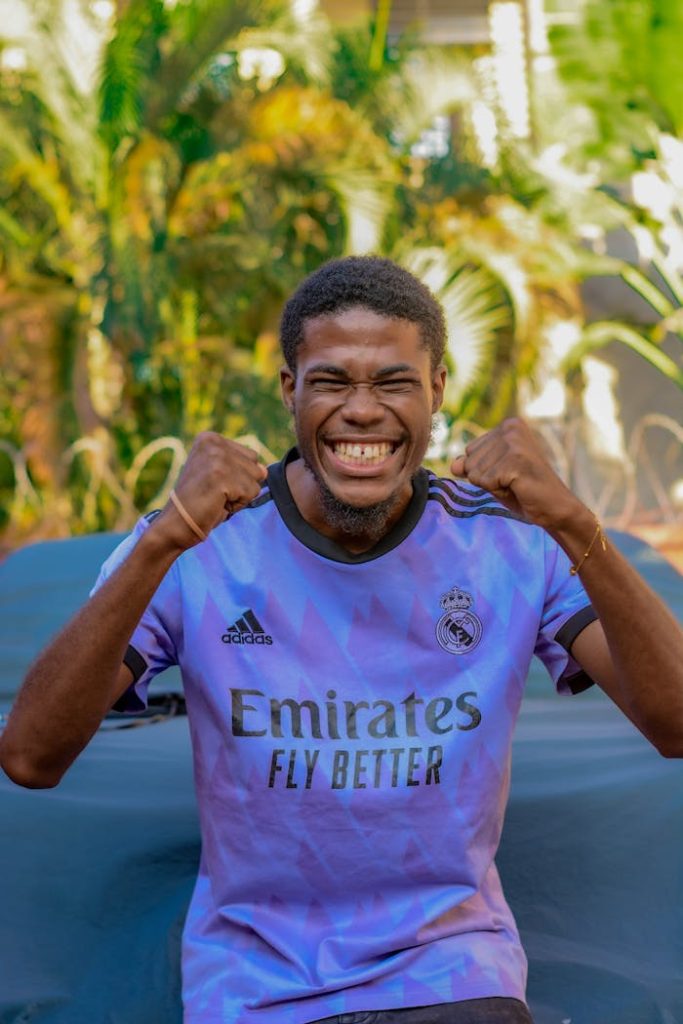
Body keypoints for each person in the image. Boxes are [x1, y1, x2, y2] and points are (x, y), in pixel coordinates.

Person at [1, 256, 682, 1024]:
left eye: (393, 381)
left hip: (450, 972)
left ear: (437, 391)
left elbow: (675, 725)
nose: (362, 411)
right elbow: (30, 758)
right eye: (331, 381)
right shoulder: (200, 543)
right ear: (289, 390)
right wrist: (165, 539)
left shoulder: (510, 541)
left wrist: (572, 520)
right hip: (253, 983)